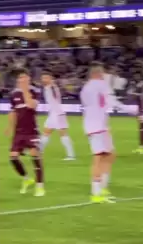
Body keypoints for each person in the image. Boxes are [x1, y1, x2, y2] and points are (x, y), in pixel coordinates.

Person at [80, 63, 116, 204]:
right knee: (98, 157)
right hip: (96, 126)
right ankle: (96, 193)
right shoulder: (93, 87)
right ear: (96, 74)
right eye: (101, 75)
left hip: (100, 125)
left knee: (110, 155)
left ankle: (102, 188)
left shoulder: (90, 88)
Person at [5, 69, 45, 196]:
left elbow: (31, 105)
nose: (21, 80)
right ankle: (27, 178)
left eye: (24, 77)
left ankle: (40, 186)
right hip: (19, 132)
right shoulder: (14, 94)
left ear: (28, 78)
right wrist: (10, 127)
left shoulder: (35, 91)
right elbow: (13, 112)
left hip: (31, 131)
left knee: (34, 154)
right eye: (20, 78)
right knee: (13, 157)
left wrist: (25, 90)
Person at [39, 71, 76, 160]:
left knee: (63, 134)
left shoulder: (52, 87)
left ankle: (71, 155)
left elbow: (56, 96)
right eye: (43, 78)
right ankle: (38, 152)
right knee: (46, 132)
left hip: (58, 114)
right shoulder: (47, 87)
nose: (43, 80)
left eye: (46, 78)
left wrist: (53, 85)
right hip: (53, 113)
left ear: (51, 79)